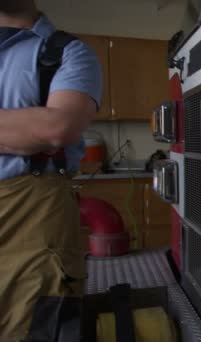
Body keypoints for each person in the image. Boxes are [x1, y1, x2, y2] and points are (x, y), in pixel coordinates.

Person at [0, 0, 101, 339]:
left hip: (33, 215)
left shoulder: (68, 53)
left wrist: (41, 129)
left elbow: (56, 129)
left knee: (32, 326)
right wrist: (21, 130)